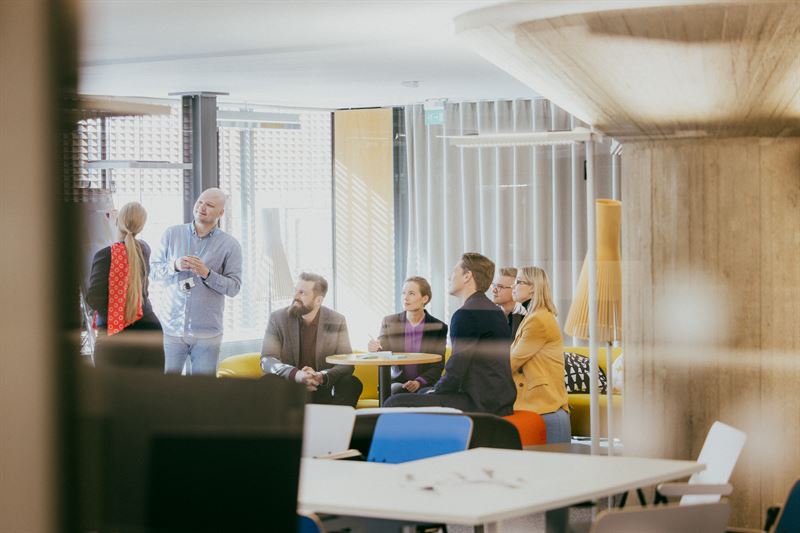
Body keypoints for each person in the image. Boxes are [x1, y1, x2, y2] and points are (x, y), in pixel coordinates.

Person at [384, 253, 516, 416]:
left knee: (394, 402)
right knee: (422, 393)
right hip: (500, 400)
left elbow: (457, 368)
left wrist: (436, 390)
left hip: (480, 403)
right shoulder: (495, 311)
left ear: (467, 276)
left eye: (454, 272)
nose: (449, 277)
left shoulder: (467, 314)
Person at [150, 188, 242, 376]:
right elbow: (152, 272)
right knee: (166, 388)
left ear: (221, 213)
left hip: (207, 333)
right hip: (171, 329)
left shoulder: (230, 245)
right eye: (200, 202)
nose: (202, 207)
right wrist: (174, 265)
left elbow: (234, 288)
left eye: (209, 205)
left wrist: (207, 273)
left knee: (202, 390)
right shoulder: (171, 234)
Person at [260, 272, 362, 407]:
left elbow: (347, 364)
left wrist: (321, 376)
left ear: (318, 300)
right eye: (296, 290)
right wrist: (296, 374)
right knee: (268, 380)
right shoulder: (277, 318)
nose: (295, 296)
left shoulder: (337, 320)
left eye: (302, 293)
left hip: (322, 388)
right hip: (290, 387)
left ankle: (334, 420)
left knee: (351, 383)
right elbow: (267, 359)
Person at [86, 202, 163, 369]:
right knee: (148, 385)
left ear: (118, 221)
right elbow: (124, 248)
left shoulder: (103, 255)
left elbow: (94, 299)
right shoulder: (144, 249)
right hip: (150, 329)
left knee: (112, 386)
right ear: (141, 227)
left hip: (115, 335)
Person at [510, 266, 571, 443]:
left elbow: (513, 361)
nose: (513, 286)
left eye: (518, 282)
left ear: (533, 288)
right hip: (539, 405)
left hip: (544, 405)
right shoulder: (535, 316)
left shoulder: (538, 320)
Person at [367, 276, 447, 394]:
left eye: (411, 293)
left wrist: (419, 382)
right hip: (396, 383)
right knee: (397, 389)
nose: (405, 297)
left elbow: (438, 365)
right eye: (403, 293)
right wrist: (375, 349)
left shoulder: (439, 327)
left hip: (425, 384)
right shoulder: (389, 322)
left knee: (426, 394)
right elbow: (383, 353)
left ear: (424, 298)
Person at [491, 266, 528, 338]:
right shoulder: (489, 316)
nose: (494, 290)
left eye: (500, 287)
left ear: (515, 289)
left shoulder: (527, 318)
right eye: (494, 286)